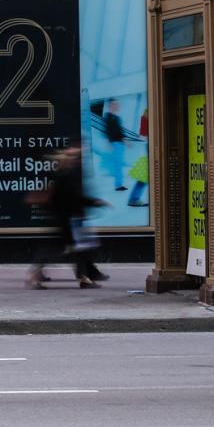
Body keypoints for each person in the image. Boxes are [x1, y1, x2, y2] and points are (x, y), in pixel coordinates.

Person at [28, 145, 107, 289]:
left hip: (65, 219)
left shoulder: (62, 175)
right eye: (73, 158)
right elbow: (73, 197)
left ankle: (84, 279)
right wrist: (94, 202)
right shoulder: (65, 176)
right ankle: (34, 276)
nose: (76, 161)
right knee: (65, 249)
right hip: (67, 220)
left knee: (75, 249)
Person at [96, 99, 128, 192]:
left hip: (120, 144)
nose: (116, 106)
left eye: (116, 104)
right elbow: (106, 130)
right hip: (114, 144)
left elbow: (120, 132)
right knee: (116, 165)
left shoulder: (118, 118)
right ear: (110, 106)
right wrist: (108, 142)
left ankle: (119, 184)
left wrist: (125, 141)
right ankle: (118, 185)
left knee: (118, 165)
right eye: (114, 104)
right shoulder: (108, 117)